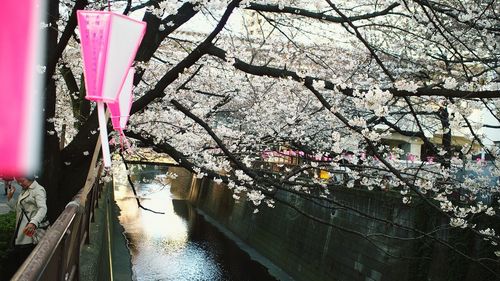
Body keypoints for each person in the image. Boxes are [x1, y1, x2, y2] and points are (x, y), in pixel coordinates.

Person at [1, 176, 49, 280]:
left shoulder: (38, 189)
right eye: (18, 182)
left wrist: (33, 223)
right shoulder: (25, 190)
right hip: (21, 232)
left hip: (29, 234)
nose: (20, 184)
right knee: (19, 261)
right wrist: (10, 198)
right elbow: (19, 210)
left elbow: (43, 208)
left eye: (22, 181)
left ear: (30, 177)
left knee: (25, 262)